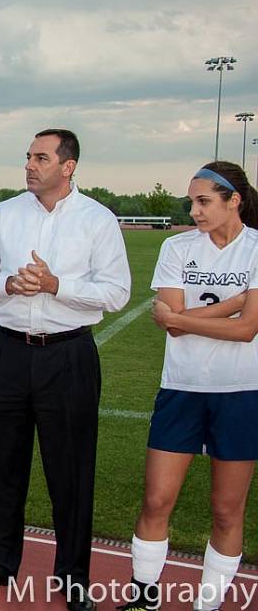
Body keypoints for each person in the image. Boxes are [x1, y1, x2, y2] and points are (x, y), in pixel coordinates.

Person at [0, 129, 131, 611]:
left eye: (41, 157)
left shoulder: (97, 220)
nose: (30, 165)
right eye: (28, 157)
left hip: (69, 356)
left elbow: (116, 292)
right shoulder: (3, 213)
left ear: (68, 166)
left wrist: (57, 285)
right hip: (8, 353)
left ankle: (73, 577)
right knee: (0, 465)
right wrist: (8, 283)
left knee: (71, 471)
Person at [117, 161, 258, 611]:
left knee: (226, 510)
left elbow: (248, 329)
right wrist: (232, 306)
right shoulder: (177, 248)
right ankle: (144, 595)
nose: (194, 211)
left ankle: (208, 605)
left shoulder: (256, 249)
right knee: (156, 499)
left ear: (233, 200)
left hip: (242, 392)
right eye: (191, 202)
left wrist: (183, 317)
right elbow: (172, 328)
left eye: (204, 202)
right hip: (181, 388)